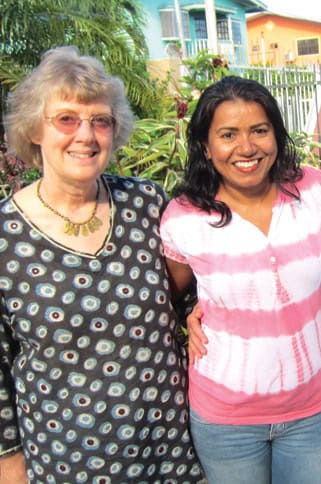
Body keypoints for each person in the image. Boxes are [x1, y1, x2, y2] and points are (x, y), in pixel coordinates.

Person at [0, 46, 204, 483]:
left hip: (168, 454)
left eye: (100, 121)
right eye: (67, 119)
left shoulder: (146, 204)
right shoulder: (5, 237)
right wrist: (8, 464)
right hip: (66, 461)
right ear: (35, 128)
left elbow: (187, 290)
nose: (86, 135)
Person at [159, 75, 321, 484]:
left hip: (312, 414)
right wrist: (191, 315)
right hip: (225, 421)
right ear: (207, 148)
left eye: (259, 131)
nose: (246, 148)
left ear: (277, 136)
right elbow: (173, 295)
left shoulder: (320, 191)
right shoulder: (184, 217)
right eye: (228, 134)